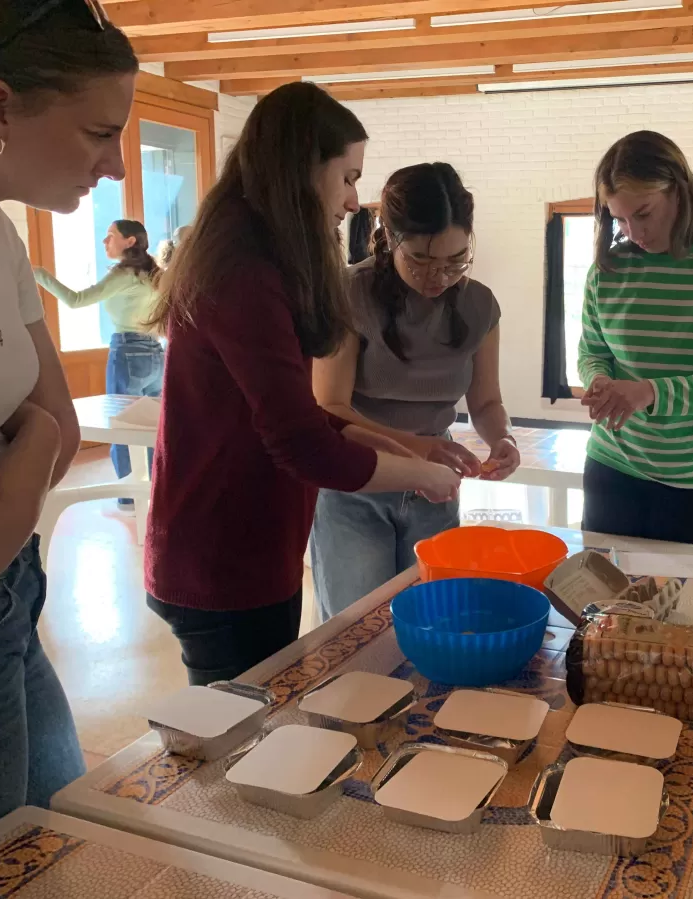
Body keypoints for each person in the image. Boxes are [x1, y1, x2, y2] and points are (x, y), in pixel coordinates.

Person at [143, 83, 462, 687]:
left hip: (250, 546)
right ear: (300, 169)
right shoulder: (242, 270)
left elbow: (299, 413)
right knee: (234, 738)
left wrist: (400, 448)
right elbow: (299, 442)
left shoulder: (259, 255)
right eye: (346, 177)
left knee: (255, 717)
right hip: (220, 556)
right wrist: (422, 473)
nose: (351, 199)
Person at [0, 0, 139, 857]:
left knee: (56, 838)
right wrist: (34, 440)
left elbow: (57, 420)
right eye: (99, 132)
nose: (117, 165)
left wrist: (25, 448)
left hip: (14, 591)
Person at [309, 162, 519, 621]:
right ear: (390, 238)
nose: (437, 277)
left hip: (433, 494)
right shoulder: (348, 294)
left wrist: (503, 438)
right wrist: (420, 449)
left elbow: (485, 402)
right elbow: (330, 407)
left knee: (430, 620)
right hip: (355, 487)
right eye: (421, 261)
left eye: (455, 261)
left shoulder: (479, 305)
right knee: (357, 631)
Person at [577, 130, 693, 549]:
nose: (633, 232)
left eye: (643, 213)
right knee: (603, 607)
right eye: (619, 219)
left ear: (680, 191)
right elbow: (593, 351)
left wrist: (650, 393)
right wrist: (599, 380)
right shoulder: (607, 270)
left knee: (685, 610)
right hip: (610, 466)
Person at [34, 218, 163, 498]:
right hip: (156, 354)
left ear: (130, 242)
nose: (105, 241)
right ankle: (156, 493)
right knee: (153, 428)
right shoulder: (153, 273)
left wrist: (39, 274)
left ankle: (129, 497)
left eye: (110, 235)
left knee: (122, 426)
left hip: (128, 353)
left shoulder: (123, 274)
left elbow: (76, 300)